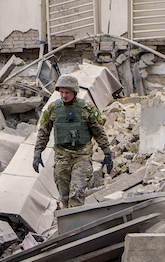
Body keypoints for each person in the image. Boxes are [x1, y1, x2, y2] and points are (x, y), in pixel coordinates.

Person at [32, 74, 114, 208]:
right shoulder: (53, 109)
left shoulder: (86, 108)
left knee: (76, 194)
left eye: (67, 92)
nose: (64, 96)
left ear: (74, 92)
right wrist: (37, 153)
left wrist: (107, 153)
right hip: (62, 157)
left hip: (82, 155)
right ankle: (68, 219)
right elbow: (43, 132)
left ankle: (76, 219)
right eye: (62, 92)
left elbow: (98, 131)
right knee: (64, 196)